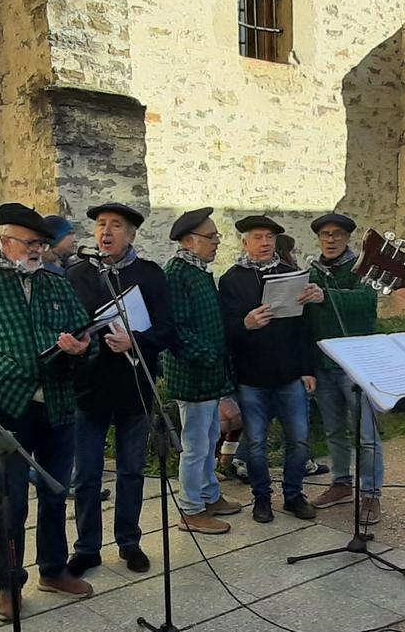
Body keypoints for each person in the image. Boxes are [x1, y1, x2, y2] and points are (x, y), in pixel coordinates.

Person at [0, 202, 96, 621]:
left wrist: (82, 348)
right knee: (12, 501)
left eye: (41, 244)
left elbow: (87, 336)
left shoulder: (56, 284)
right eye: (28, 243)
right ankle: (9, 584)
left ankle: (54, 569)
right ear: (4, 241)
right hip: (9, 407)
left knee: (56, 490)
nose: (36, 251)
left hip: (59, 403)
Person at [64, 203, 175, 576]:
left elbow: (166, 331)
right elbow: (64, 326)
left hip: (135, 389)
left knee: (131, 470)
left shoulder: (150, 275)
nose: (105, 232)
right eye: (99, 225)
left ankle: (129, 542)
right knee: (87, 475)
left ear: (131, 235)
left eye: (115, 226)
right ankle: (87, 548)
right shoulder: (77, 274)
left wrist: (136, 341)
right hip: (89, 389)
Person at [218, 215, 322, 524]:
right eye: (258, 237)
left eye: (270, 237)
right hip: (252, 377)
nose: (265, 243)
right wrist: (246, 324)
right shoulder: (231, 279)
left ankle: (293, 495)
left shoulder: (291, 274)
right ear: (245, 242)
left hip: (290, 373)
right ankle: (261, 498)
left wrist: (308, 369)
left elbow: (305, 327)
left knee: (300, 440)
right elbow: (225, 329)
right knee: (256, 444)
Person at [162, 208, 243, 535]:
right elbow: (176, 328)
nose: (216, 243)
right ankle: (191, 509)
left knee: (210, 437)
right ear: (188, 241)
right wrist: (210, 355)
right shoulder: (176, 273)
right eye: (211, 237)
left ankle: (209, 495)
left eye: (216, 237)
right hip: (192, 375)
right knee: (195, 444)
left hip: (209, 374)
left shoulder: (199, 271)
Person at [305, 212, 385, 525]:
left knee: (367, 435)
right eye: (325, 234)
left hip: (356, 365)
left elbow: (366, 302)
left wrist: (327, 295)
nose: (331, 239)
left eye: (337, 234)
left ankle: (371, 493)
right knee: (334, 430)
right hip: (323, 364)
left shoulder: (361, 269)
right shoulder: (312, 271)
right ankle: (341, 483)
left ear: (347, 238)